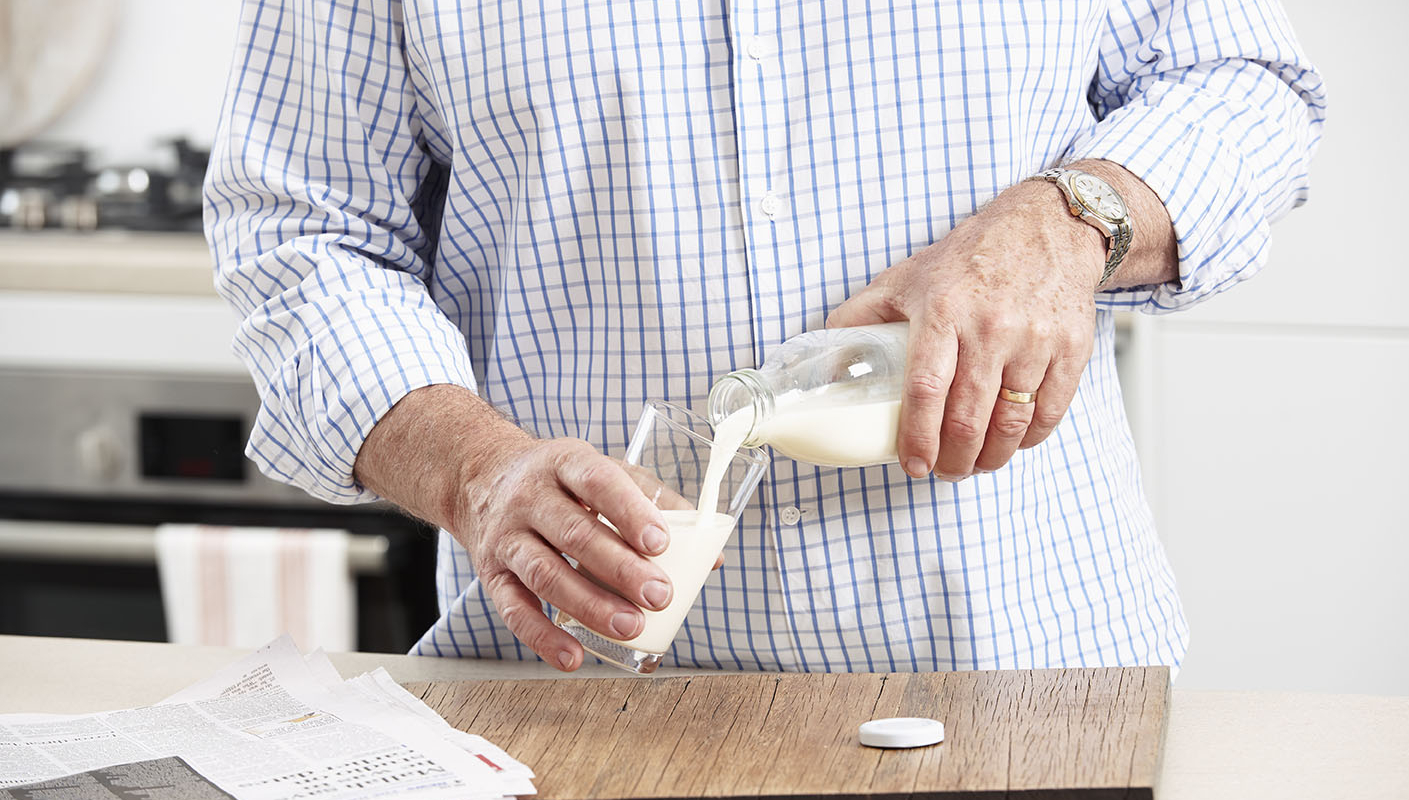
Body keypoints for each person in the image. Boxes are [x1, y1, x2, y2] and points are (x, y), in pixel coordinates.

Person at [204, 0, 1324, 673]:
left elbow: (1242, 82)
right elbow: (300, 226)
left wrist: (1070, 218)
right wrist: (472, 470)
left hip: (1023, 677)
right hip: (571, 699)